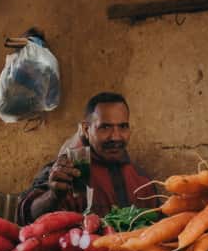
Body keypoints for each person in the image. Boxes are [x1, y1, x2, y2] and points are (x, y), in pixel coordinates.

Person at [16, 92, 157, 225]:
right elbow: (25, 217)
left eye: (123, 127)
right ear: (85, 130)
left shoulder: (142, 181)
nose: (115, 136)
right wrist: (53, 196)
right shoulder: (65, 172)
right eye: (105, 127)